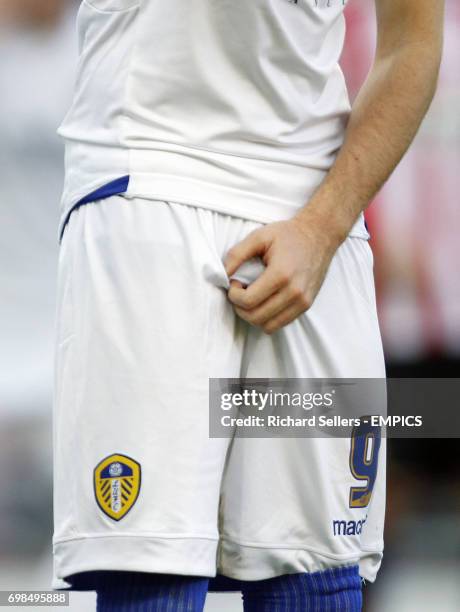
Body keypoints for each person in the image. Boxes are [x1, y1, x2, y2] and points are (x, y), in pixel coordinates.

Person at [52, 1, 444, 610]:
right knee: (153, 565)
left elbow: (411, 42)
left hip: (318, 207)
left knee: (316, 568)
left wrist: (321, 229)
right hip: (152, 180)